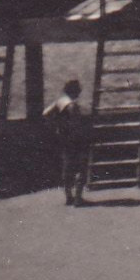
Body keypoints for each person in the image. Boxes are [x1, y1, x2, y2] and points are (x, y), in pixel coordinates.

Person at [43, 79, 89, 207]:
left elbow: (45, 113)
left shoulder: (60, 102)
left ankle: (68, 197)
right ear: (75, 91)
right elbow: (76, 124)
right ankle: (78, 198)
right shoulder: (73, 106)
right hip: (76, 140)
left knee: (67, 168)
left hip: (64, 139)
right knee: (80, 168)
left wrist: (57, 126)